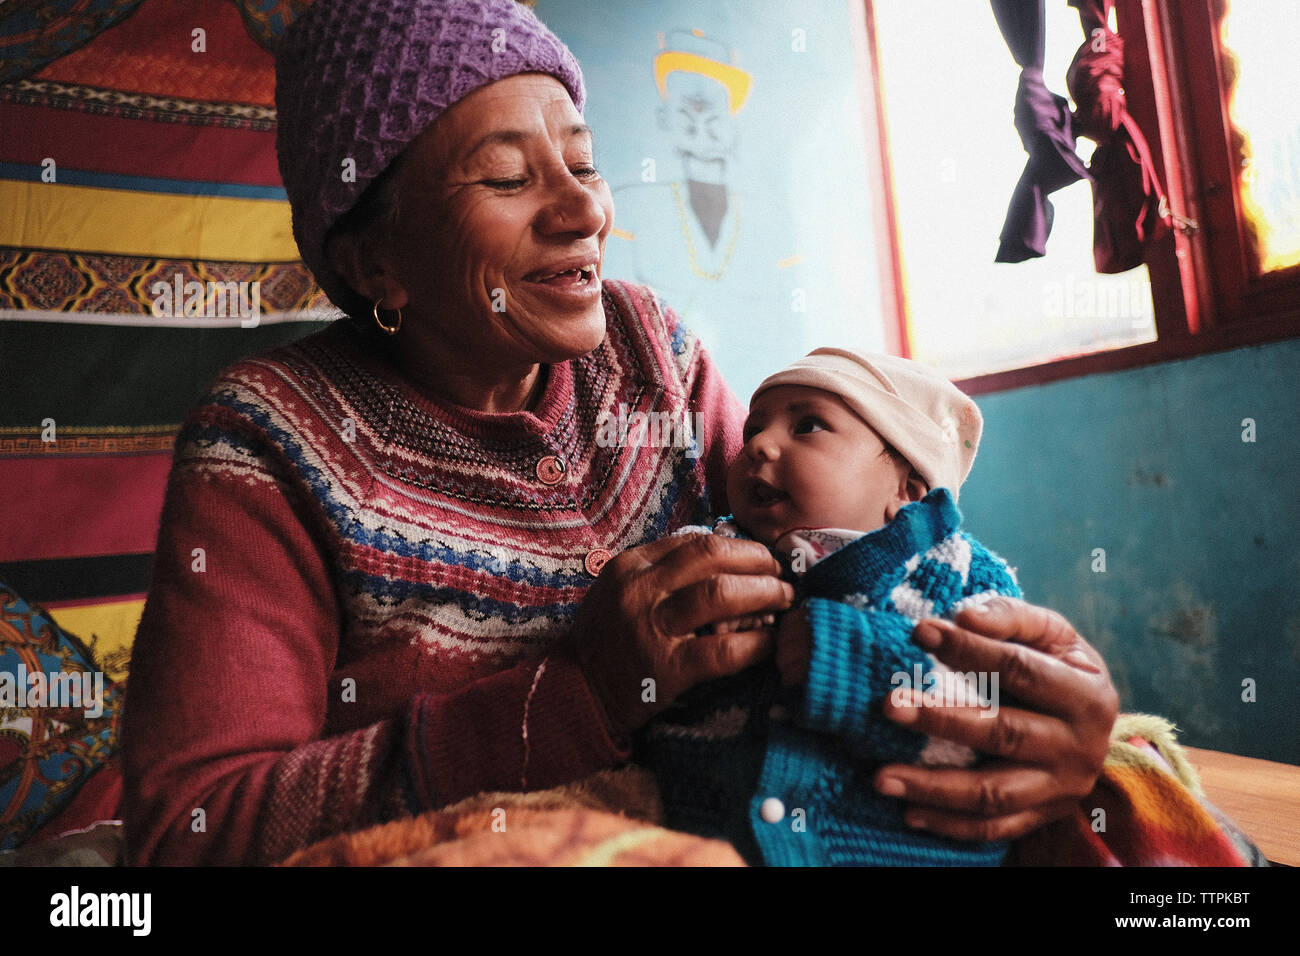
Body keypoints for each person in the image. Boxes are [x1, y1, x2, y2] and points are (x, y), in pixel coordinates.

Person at [120, 0, 1118, 867]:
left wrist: (1026, 706)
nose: (585, 209)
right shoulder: (269, 442)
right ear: (375, 263)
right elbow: (192, 829)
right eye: (505, 179)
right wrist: (579, 695)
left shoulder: (652, 353)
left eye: (584, 161)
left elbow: (844, 568)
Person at [640, 348, 1022, 865]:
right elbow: (651, 677)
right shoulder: (711, 556)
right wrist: (696, 623)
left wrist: (847, 660)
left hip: (892, 850)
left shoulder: (959, 573)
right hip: (708, 841)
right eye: (754, 429)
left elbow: (993, 715)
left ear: (907, 490)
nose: (758, 446)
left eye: (808, 426)